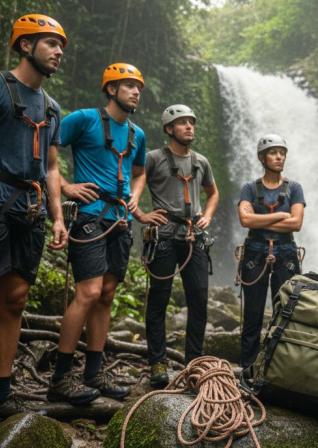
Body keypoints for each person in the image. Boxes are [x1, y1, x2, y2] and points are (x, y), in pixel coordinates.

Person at [0, 14, 68, 424]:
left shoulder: (51, 108)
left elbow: (51, 166)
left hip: (30, 210)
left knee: (13, 300)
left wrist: (57, 217)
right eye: (50, 43)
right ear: (24, 46)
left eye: (61, 45)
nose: (59, 51)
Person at [47, 63, 147, 405]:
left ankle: (93, 371)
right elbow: (46, 154)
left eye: (138, 88)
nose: (135, 91)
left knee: (106, 295)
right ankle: (60, 378)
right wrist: (66, 186)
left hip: (120, 221)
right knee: (88, 292)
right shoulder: (84, 119)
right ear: (110, 89)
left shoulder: (138, 134)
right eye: (128, 86)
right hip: (90, 217)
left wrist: (135, 196)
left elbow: (139, 173)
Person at [130, 104, 219, 387]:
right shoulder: (154, 158)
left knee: (200, 300)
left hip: (193, 235)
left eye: (191, 122)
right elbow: (137, 180)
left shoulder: (201, 161)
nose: (189, 127)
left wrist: (207, 215)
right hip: (165, 235)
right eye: (182, 123)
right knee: (159, 299)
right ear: (169, 129)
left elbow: (212, 192)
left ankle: (195, 361)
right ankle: (157, 361)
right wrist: (141, 214)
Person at [238, 134, 305, 373]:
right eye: (273, 153)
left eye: (282, 152)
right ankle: (247, 368)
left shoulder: (295, 188)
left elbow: (296, 224)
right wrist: (279, 216)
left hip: (285, 255)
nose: (279, 157)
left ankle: (278, 369)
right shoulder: (249, 188)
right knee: (253, 313)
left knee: (285, 312)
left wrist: (260, 222)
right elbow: (245, 219)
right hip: (255, 255)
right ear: (262, 158)